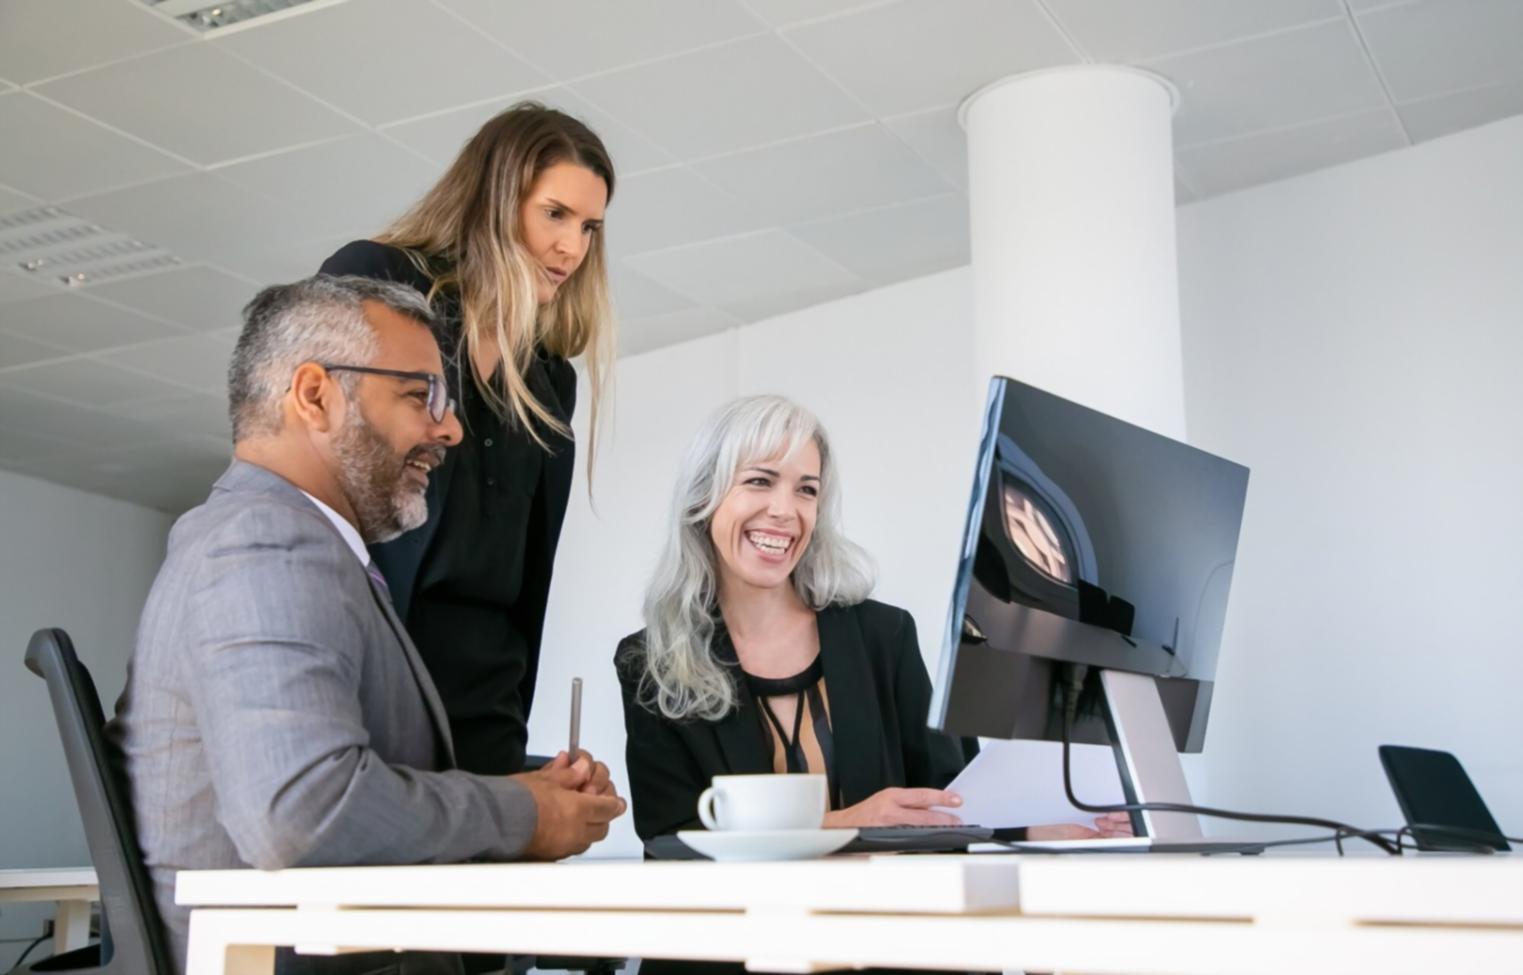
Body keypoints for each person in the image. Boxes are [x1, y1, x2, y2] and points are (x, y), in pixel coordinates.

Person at [108, 276, 625, 975]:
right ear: (315, 395)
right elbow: (303, 810)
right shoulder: (263, 543)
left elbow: (336, 779)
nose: (450, 428)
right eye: (420, 396)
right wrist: (523, 812)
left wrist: (536, 792)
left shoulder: (291, 547)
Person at [615, 395, 1132, 841]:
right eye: (759, 481)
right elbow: (672, 840)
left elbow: (950, 799)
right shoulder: (649, 662)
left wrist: (1038, 827)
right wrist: (846, 824)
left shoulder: (883, 636)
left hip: (883, 938)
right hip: (742, 947)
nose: (783, 509)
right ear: (705, 498)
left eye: (806, 489)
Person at [318, 102, 614, 778]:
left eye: (590, 227)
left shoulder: (548, 380)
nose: (573, 248)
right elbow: (303, 474)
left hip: (486, 716)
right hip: (368, 693)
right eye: (555, 214)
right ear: (495, 199)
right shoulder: (380, 280)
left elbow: (520, 585)